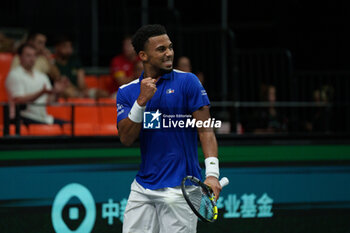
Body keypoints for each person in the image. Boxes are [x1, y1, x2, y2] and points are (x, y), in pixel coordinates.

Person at [117, 24, 222, 233]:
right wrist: (141, 102)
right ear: (143, 55)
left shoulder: (188, 82)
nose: (169, 53)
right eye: (161, 49)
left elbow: (206, 130)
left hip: (181, 189)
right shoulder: (127, 92)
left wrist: (212, 173)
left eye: (170, 47)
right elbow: (126, 138)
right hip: (143, 189)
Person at [5, 43, 67, 125]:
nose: (32, 59)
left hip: (43, 118)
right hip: (22, 117)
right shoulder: (14, 75)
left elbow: (49, 101)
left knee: (69, 128)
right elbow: (19, 101)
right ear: (19, 57)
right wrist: (41, 93)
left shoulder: (42, 76)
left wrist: (57, 93)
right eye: (28, 55)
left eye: (34, 56)